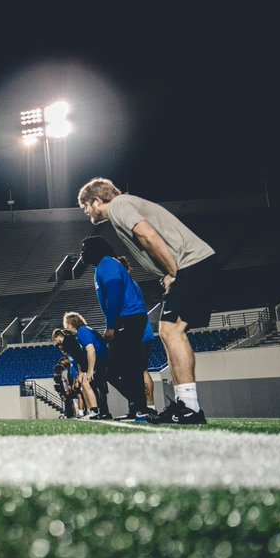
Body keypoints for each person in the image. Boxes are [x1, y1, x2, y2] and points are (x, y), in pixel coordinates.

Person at [78, 177, 215, 424]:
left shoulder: (119, 206)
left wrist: (172, 272)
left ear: (97, 200)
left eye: (85, 206)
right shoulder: (124, 206)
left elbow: (147, 235)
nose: (85, 211)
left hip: (190, 265)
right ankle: (186, 405)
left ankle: (189, 407)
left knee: (170, 332)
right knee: (171, 331)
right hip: (195, 264)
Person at [80, 235, 158, 421]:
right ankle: (138, 407)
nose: (81, 253)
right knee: (126, 367)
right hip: (130, 319)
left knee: (116, 370)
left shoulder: (107, 265)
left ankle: (141, 407)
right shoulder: (106, 265)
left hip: (127, 319)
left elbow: (114, 295)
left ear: (95, 249)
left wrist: (111, 326)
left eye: (84, 248)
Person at [61, 312, 117, 420]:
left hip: (102, 360)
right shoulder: (83, 330)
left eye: (66, 324)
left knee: (94, 383)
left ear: (71, 323)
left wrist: (90, 370)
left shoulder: (82, 331)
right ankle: (102, 412)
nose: (65, 327)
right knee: (97, 384)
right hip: (103, 359)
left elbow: (91, 351)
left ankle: (102, 412)